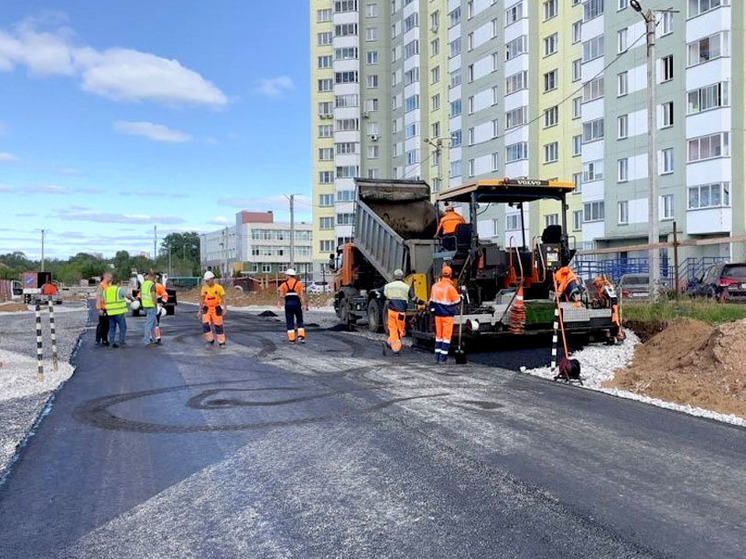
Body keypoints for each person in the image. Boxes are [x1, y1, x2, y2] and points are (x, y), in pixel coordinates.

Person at [429, 265, 462, 364]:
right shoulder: (450, 288)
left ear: (441, 274)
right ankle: (443, 358)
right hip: (447, 317)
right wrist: (462, 295)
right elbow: (457, 300)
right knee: (446, 338)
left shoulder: (434, 286)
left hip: (438, 316)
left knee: (439, 336)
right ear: (451, 275)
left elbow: (432, 301)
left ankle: (436, 357)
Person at [382, 269, 419, 356]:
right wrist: (423, 303)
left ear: (394, 277)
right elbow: (414, 299)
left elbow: (384, 294)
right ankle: (396, 350)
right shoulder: (406, 287)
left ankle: (388, 343)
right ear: (402, 277)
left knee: (393, 330)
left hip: (391, 312)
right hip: (400, 313)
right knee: (399, 332)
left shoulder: (388, 286)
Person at [277, 268, 308, 343]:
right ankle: (301, 337)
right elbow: (301, 296)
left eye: (286, 275)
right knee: (300, 320)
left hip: (288, 304)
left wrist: (279, 303)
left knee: (289, 322)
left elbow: (281, 295)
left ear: (288, 276)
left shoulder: (284, 285)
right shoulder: (299, 284)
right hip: (297, 304)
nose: (286, 276)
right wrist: (304, 305)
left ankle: (291, 339)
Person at [199, 271, 227, 348]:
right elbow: (202, 300)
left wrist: (225, 308)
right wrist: (199, 311)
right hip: (207, 308)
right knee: (205, 324)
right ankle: (210, 340)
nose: (207, 282)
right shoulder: (204, 288)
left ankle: (222, 342)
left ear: (212, 279)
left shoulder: (219, 288)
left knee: (218, 325)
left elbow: (223, 298)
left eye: (208, 281)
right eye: (206, 281)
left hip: (216, 308)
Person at [104, 278, 130, 348]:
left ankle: (111, 343)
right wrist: (133, 299)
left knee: (112, 328)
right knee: (122, 327)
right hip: (119, 312)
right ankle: (122, 342)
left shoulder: (106, 290)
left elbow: (104, 299)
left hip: (110, 312)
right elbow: (127, 296)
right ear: (118, 283)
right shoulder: (119, 289)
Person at [140, 270, 158, 346]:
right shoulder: (152, 285)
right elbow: (153, 296)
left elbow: (141, 295)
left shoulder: (143, 284)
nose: (155, 279)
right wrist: (156, 306)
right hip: (151, 306)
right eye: (154, 277)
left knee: (154, 323)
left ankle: (154, 339)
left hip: (145, 306)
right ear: (152, 277)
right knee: (149, 324)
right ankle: (147, 341)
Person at [95, 273, 111, 346]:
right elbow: (99, 296)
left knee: (106, 325)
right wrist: (99, 307)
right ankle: (99, 340)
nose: (111, 279)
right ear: (106, 277)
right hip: (102, 308)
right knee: (102, 324)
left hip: (107, 308)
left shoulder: (107, 285)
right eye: (110, 277)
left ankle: (104, 339)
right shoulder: (102, 285)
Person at [153, 274, 169, 345]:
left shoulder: (158, 286)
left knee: (155, 324)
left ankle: (158, 339)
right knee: (150, 324)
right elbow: (140, 295)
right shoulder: (146, 286)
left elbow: (165, 294)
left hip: (156, 307)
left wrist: (162, 303)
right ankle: (151, 338)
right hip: (149, 308)